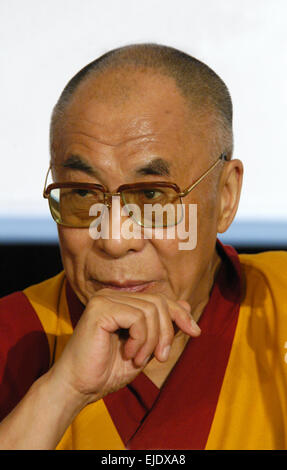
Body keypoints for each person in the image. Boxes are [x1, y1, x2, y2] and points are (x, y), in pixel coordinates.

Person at [0, 43, 286, 450]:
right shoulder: (12, 337)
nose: (115, 240)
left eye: (152, 196)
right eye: (82, 192)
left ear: (225, 196)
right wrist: (60, 393)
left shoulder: (280, 305)